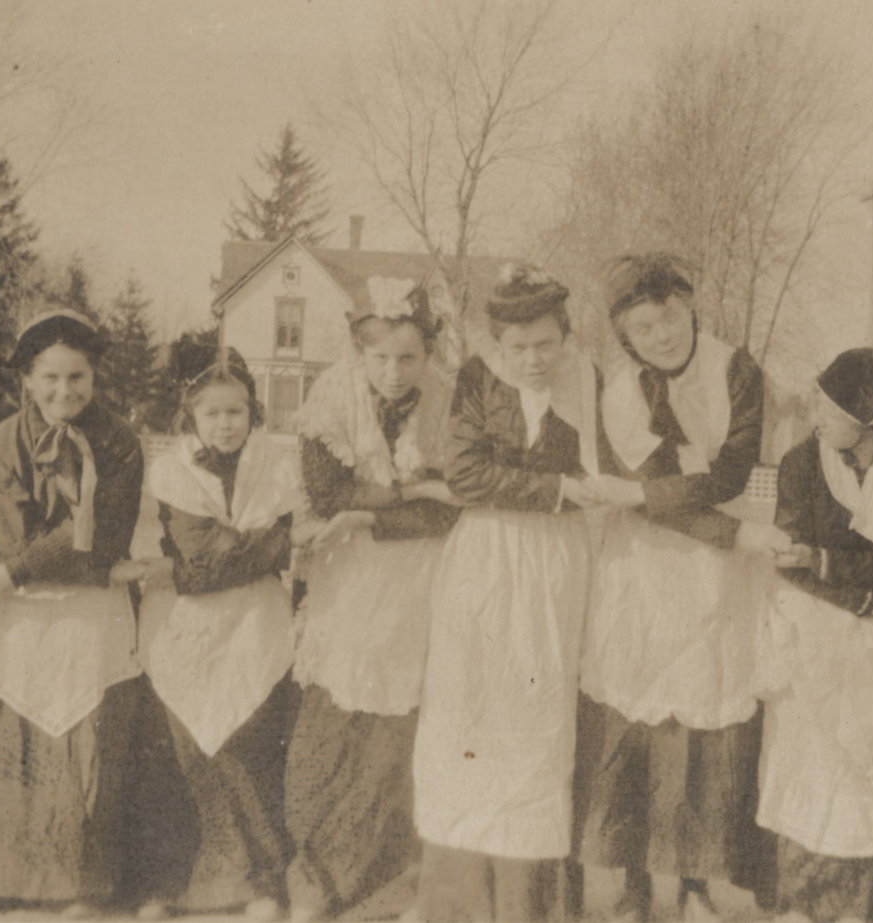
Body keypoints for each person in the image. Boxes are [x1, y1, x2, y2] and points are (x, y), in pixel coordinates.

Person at [573, 254, 783, 922]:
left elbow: (726, 476)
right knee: (637, 720)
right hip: (645, 564)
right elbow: (650, 496)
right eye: (644, 327)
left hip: (715, 572)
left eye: (669, 317)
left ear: (689, 306)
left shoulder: (736, 371)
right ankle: (635, 885)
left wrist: (710, 528)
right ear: (626, 336)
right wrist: (695, 518)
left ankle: (694, 883)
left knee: (704, 720)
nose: (662, 335)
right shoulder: (618, 393)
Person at [411, 262, 615, 922]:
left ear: (565, 337)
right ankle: (459, 903)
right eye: (518, 347)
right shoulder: (475, 378)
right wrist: (556, 489)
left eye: (545, 344)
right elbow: (467, 475)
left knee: (537, 721)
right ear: (497, 345)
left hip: (556, 564)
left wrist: (578, 493)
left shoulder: (589, 384)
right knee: (468, 716)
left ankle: (531, 905)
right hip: (487, 558)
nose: (533, 360)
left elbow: (609, 466)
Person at [0, 310, 149, 917]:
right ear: (26, 378)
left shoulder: (119, 443)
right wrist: (35, 562)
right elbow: (10, 537)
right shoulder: (3, 442)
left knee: (87, 740)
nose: (65, 392)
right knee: (11, 737)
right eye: (50, 378)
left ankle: (85, 883)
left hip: (90, 611)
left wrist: (31, 564)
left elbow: (105, 539)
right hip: (21, 611)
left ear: (94, 376)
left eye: (78, 377)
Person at [283, 279, 461, 922]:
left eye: (409, 358)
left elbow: (456, 505)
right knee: (332, 720)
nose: (394, 373)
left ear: (428, 354)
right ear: (360, 353)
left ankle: (389, 882)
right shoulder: (330, 395)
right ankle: (314, 872)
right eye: (380, 358)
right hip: (349, 580)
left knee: (401, 726)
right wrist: (418, 494)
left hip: (421, 580)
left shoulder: (449, 399)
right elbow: (330, 494)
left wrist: (378, 511)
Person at [132, 346, 318, 921]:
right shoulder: (171, 471)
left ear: (253, 413)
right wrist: (276, 545)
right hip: (186, 622)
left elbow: (251, 551)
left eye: (235, 412)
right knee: (185, 753)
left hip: (255, 622)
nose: (225, 424)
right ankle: (174, 882)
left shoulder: (278, 467)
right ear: (191, 417)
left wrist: (268, 548)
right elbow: (203, 554)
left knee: (248, 746)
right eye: (211, 414)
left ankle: (260, 881)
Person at [755, 347, 873, 923]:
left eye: (828, 409)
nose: (816, 419)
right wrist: (861, 597)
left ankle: (861, 909)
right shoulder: (801, 463)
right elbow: (791, 562)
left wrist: (827, 561)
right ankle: (800, 907)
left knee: (869, 768)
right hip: (814, 631)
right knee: (812, 766)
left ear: (872, 422)